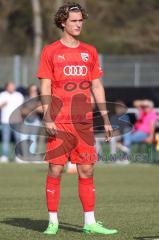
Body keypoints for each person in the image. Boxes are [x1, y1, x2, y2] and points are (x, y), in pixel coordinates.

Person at [37, 2, 118, 235]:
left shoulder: (90, 51)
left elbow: (97, 85)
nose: (78, 24)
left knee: (87, 171)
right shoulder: (50, 51)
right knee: (55, 170)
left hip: (84, 122)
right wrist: (47, 116)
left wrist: (106, 118)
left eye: (80, 20)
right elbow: (45, 85)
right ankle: (52, 221)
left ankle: (89, 223)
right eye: (73, 20)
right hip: (59, 121)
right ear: (63, 22)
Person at [0, 82, 24, 163]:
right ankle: (4, 156)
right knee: (5, 139)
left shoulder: (18, 95)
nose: (12, 88)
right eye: (10, 86)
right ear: (7, 87)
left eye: (13, 86)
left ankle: (18, 156)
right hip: (5, 121)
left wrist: (21, 118)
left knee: (18, 138)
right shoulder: (2, 95)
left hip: (16, 120)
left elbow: (21, 108)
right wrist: (3, 104)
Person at [20, 84, 41, 159]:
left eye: (35, 89)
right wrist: (34, 109)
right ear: (29, 90)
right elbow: (22, 111)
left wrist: (30, 109)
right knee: (23, 139)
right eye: (32, 89)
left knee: (33, 139)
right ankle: (25, 156)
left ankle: (31, 156)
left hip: (35, 122)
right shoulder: (25, 99)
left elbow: (41, 110)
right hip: (26, 122)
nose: (34, 91)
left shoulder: (39, 99)